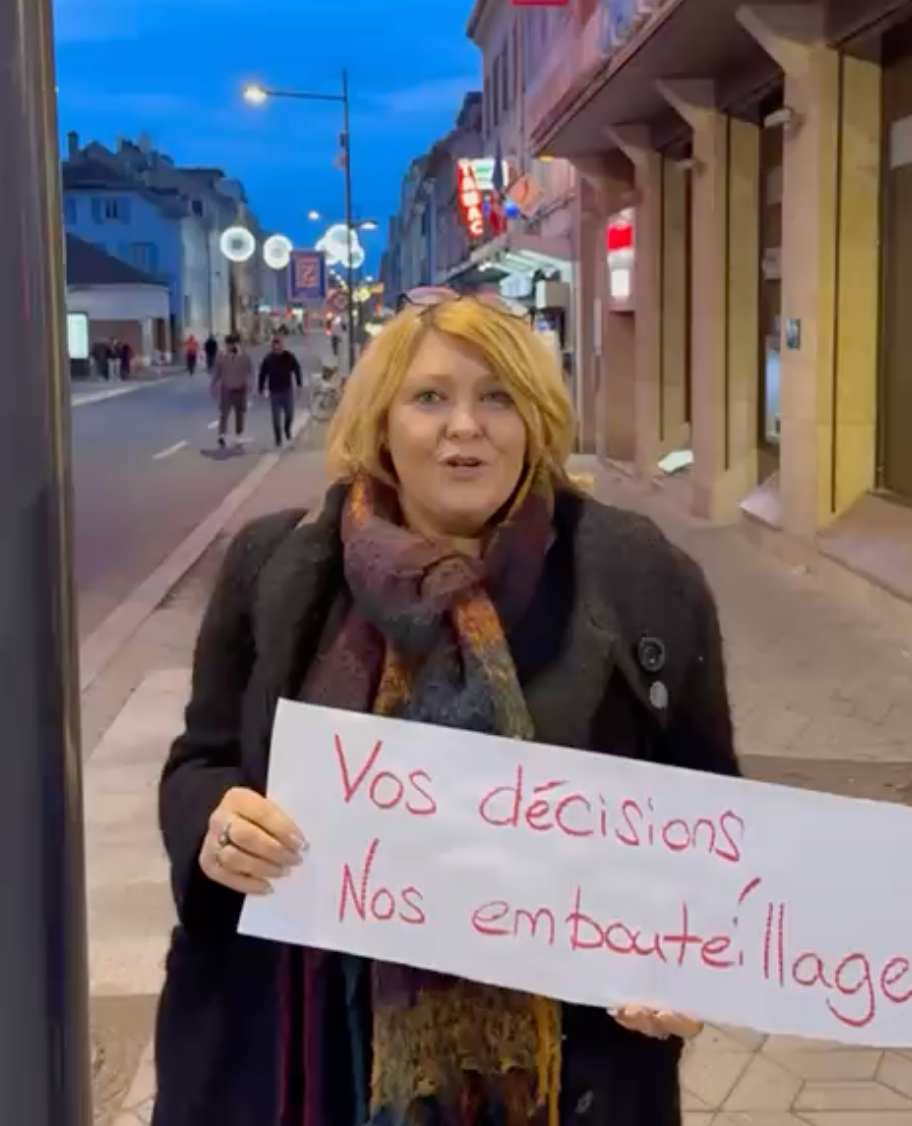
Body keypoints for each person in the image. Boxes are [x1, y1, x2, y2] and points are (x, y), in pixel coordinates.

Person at [154, 292, 739, 1126]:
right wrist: (215, 826)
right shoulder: (278, 567)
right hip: (313, 1063)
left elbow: (709, 818)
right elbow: (202, 760)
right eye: (430, 397)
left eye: (498, 397)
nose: (465, 427)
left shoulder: (642, 579)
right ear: (380, 422)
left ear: (535, 421)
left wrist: (686, 961)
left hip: (568, 1077)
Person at [258, 334, 303, 447]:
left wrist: (299, 384)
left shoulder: (288, 357)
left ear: (282, 346)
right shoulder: (268, 359)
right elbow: (262, 374)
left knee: (290, 414)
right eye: (275, 347)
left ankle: (287, 429)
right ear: (273, 347)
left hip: (287, 391)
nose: (277, 349)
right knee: (276, 418)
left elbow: (297, 369)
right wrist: (261, 388)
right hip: (274, 392)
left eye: (279, 347)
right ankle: (278, 438)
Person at [211, 333, 253, 449]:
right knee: (224, 413)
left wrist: (250, 384)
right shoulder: (222, 356)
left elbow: (250, 371)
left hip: (240, 388)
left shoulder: (244, 356)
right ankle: (222, 435)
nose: (230, 347)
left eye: (233, 344)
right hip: (227, 389)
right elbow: (217, 372)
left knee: (240, 413)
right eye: (228, 344)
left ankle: (239, 434)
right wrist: (213, 385)